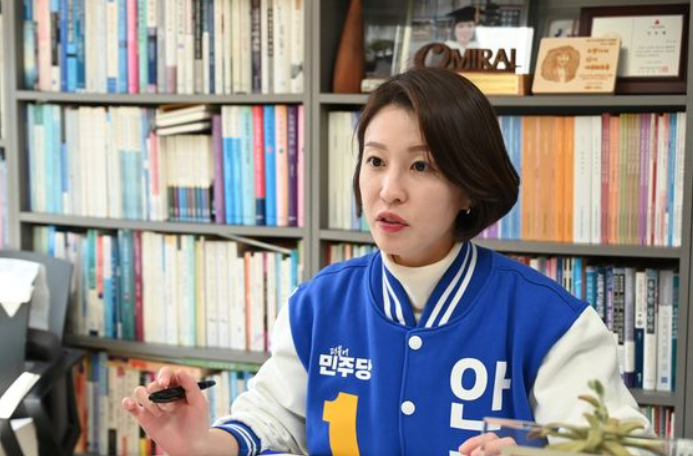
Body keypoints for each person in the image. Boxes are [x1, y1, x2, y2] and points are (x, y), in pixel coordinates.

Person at [122, 67, 650, 456]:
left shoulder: (549, 322)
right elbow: (271, 420)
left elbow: (624, 447)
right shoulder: (319, 304)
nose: (389, 189)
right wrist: (198, 443)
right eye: (375, 160)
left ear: (469, 187)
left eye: (421, 166)